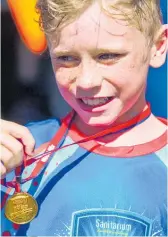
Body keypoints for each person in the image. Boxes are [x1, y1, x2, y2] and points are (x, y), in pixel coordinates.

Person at [1, 0, 167, 236]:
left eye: (107, 56)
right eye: (67, 58)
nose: (86, 81)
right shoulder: (21, 152)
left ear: (157, 47)